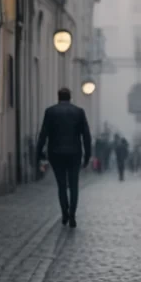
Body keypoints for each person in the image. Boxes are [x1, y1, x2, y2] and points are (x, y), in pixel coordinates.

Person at [36, 88, 92, 228]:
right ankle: (72, 215)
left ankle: (64, 213)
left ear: (58, 97)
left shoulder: (50, 112)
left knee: (61, 185)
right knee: (74, 185)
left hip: (56, 153)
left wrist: (39, 152)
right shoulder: (79, 112)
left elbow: (43, 134)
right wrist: (87, 155)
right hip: (74, 153)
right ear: (70, 97)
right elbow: (86, 135)